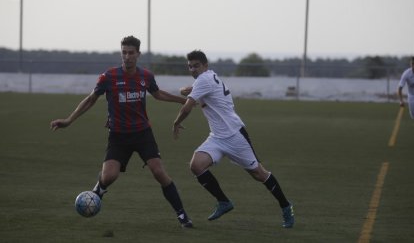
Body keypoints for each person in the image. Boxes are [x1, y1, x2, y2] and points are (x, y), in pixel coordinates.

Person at [50, 36, 193, 228]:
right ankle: (100, 188)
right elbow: (91, 99)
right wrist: (68, 120)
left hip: (142, 134)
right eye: (124, 52)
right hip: (118, 136)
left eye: (131, 53)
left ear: (138, 54)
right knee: (109, 176)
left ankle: (182, 215)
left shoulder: (146, 76)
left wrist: (183, 101)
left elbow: (157, 94)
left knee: (159, 172)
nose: (127, 56)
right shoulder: (108, 77)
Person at [172, 50, 294, 228]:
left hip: (235, 135)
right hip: (217, 137)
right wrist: (184, 90)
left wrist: (176, 123)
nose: (193, 69)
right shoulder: (208, 77)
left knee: (259, 173)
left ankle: (286, 206)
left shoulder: (204, 80)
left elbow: (187, 107)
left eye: (196, 65)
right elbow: (188, 90)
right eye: (190, 66)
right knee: (196, 165)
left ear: (205, 66)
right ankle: (224, 202)